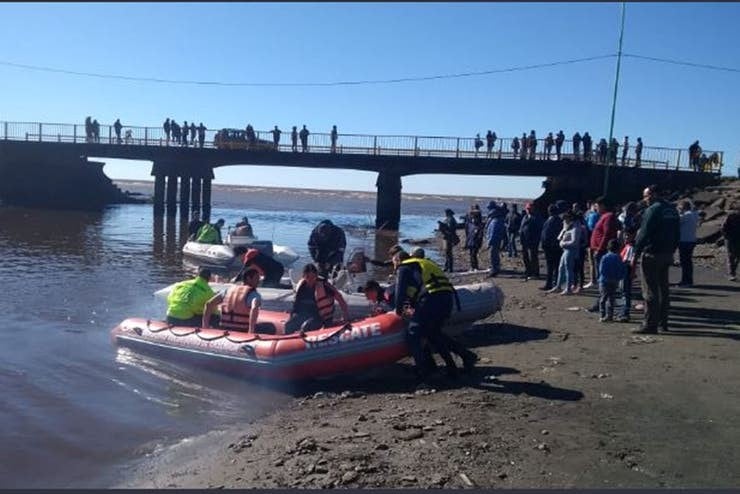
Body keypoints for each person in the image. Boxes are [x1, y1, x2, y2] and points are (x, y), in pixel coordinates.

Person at [392, 249, 477, 381]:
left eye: (393, 263)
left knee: (413, 333)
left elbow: (400, 294)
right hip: (447, 299)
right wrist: (410, 311)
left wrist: (398, 312)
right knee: (433, 334)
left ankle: (424, 371)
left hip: (432, 300)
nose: (394, 266)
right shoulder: (423, 264)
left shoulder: (404, 268)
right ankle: (459, 362)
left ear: (398, 261)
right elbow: (413, 296)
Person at [631, 185, 680, 334]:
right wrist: (672, 250)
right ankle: (663, 322)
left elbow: (644, 233)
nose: (644, 199)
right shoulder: (672, 209)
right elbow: (677, 232)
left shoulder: (653, 209)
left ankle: (650, 324)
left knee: (650, 290)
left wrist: (635, 253)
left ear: (652, 195)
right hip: (667, 253)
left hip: (652, 253)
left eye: (645, 196)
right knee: (664, 289)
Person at [284, 263, 350, 334]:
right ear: (304, 276)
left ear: (316, 276)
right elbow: (296, 305)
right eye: (308, 277)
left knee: (307, 326)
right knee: (288, 325)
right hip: (304, 314)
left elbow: (339, 298)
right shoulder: (301, 287)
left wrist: (345, 315)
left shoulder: (324, 285)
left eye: (313, 277)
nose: (310, 279)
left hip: (321, 316)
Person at [201, 268, 262, 333]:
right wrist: (251, 331)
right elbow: (254, 307)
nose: (258, 281)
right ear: (248, 278)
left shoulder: (228, 290)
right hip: (242, 331)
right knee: (268, 327)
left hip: (224, 330)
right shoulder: (253, 294)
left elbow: (208, 304)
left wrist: (205, 326)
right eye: (256, 278)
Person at [586, 197, 619, 312]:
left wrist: (600, 249)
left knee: (603, 279)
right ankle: (603, 301)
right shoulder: (605, 217)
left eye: (597, 205)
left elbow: (607, 235)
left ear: (603, 205)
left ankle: (602, 302)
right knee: (602, 278)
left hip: (602, 251)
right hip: (599, 249)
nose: (596, 208)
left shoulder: (608, 217)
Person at [549, 212, 580, 295]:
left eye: (565, 219)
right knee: (561, 268)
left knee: (568, 269)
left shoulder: (575, 228)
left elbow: (575, 242)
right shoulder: (568, 228)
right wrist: (563, 231)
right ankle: (558, 286)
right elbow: (559, 237)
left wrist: (563, 243)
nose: (564, 221)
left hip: (571, 250)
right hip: (565, 250)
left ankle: (568, 288)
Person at [598, 239, 626, 323]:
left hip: (604, 280)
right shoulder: (619, 257)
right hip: (614, 280)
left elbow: (601, 270)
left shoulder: (605, 257)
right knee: (611, 298)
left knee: (603, 298)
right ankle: (609, 315)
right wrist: (619, 277)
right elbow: (622, 269)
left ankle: (602, 315)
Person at [540, 204, 564, 291]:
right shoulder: (558, 220)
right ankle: (554, 283)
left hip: (551, 247)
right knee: (555, 266)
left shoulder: (552, 221)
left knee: (552, 266)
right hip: (554, 246)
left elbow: (547, 235)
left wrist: (545, 244)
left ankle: (552, 284)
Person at [677, 200, 699, 287]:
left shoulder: (686, 215)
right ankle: (688, 280)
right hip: (691, 240)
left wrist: (679, 212)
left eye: (680, 207)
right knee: (688, 262)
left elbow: (678, 221)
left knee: (684, 262)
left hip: (684, 241)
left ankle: (686, 281)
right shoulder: (694, 214)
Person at [519, 202, 543, 280]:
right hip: (524, 241)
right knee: (525, 257)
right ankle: (528, 271)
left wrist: (536, 240)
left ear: (533, 209)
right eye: (527, 209)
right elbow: (521, 228)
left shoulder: (537, 217)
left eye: (530, 209)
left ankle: (535, 273)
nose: (528, 210)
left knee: (533, 257)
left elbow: (539, 230)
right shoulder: (525, 217)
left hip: (533, 241)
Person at [617, 229, 637, 322]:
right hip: (624, 271)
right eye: (625, 235)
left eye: (628, 236)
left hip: (626, 271)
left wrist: (632, 273)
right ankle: (623, 311)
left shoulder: (631, 247)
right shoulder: (627, 246)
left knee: (625, 292)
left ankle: (625, 313)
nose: (626, 237)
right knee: (623, 292)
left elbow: (631, 262)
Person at [485, 202, 506, 277]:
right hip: (495, 240)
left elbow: (493, 232)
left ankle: (495, 269)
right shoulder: (496, 219)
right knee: (494, 255)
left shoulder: (495, 220)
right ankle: (495, 268)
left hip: (494, 240)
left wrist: (489, 242)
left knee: (493, 255)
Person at [464, 204, 484, 270]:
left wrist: (479, 242)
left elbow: (480, 235)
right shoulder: (470, 224)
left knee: (473, 254)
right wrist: (467, 242)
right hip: (471, 241)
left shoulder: (479, 225)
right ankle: (473, 266)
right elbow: (467, 233)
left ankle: (475, 267)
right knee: (471, 254)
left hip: (475, 242)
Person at [722, 210, 740, 281]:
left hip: (737, 238)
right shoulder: (731, 215)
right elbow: (723, 226)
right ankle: (731, 273)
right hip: (730, 238)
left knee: (737, 256)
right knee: (731, 256)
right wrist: (726, 236)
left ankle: (732, 271)